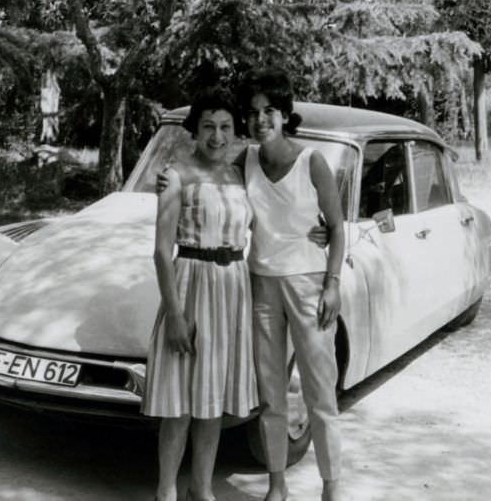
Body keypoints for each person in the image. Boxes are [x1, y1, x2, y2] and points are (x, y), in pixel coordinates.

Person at [143, 86, 258, 501]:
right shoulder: (176, 175)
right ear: (195, 129)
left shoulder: (239, 175)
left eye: (226, 127)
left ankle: (203, 488)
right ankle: (166, 490)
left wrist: (321, 228)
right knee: (180, 403)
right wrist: (174, 315)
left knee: (212, 401)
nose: (217, 136)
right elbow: (160, 250)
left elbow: (274, 217)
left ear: (235, 132)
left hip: (231, 292)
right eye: (208, 126)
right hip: (191, 286)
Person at [238, 68, 345, 501]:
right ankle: (277, 485)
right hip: (262, 284)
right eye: (252, 113)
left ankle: (330, 487)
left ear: (284, 116)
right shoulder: (242, 160)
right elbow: (206, 178)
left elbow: (337, 228)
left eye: (269, 112)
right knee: (271, 395)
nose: (260, 120)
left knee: (320, 393)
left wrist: (332, 283)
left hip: (308, 284)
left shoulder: (311, 162)